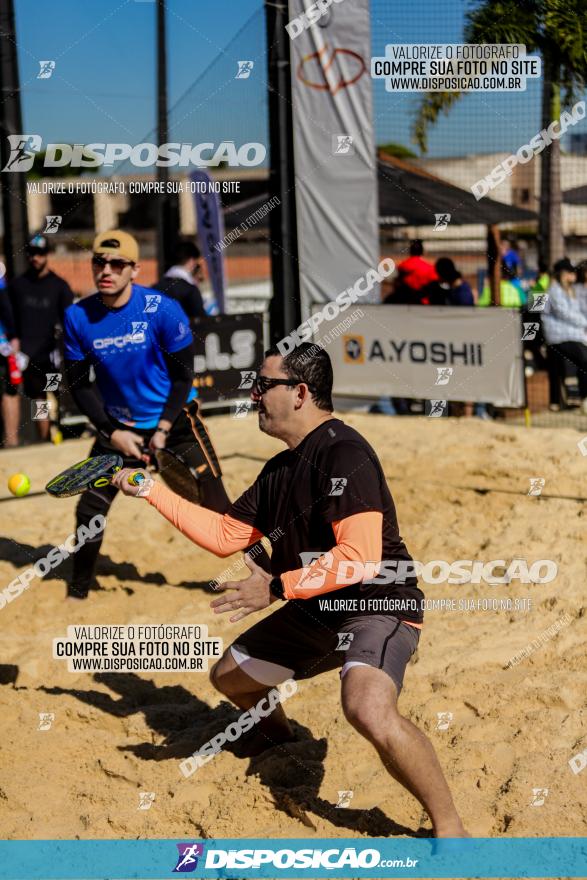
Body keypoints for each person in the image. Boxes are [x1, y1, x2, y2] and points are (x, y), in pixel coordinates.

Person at [113, 343, 469, 838]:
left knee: (365, 708)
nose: (254, 394)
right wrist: (150, 490)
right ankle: (282, 741)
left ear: (300, 392)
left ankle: (451, 830)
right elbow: (224, 538)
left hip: (378, 604)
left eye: (263, 385)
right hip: (317, 609)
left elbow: (360, 558)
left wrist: (278, 586)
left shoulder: (344, 452)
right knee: (231, 678)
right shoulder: (278, 471)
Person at [63, 229, 267, 600]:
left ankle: (271, 573)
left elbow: (183, 376)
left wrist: (163, 427)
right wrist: (113, 431)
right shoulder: (78, 317)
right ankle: (78, 591)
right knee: (90, 507)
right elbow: (79, 386)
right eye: (99, 262)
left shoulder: (162, 309)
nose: (106, 270)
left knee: (220, 507)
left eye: (117, 263)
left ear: (135, 269)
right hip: (119, 429)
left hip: (175, 422)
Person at [6, 234, 73, 442]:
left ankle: (63, 433)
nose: (36, 258)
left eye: (41, 253)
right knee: (39, 399)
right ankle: (44, 438)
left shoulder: (59, 285)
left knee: (60, 396)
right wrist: (15, 344)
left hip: (54, 353)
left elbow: (69, 319)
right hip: (29, 355)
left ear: (47, 255)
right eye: (32, 253)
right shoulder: (17, 285)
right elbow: (10, 320)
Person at [542, 257, 587, 413]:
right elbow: (565, 314)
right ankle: (582, 398)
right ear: (562, 274)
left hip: (571, 333)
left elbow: (575, 313)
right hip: (559, 336)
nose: (573, 275)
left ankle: (565, 401)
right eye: (570, 272)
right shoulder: (554, 291)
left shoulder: (568, 291)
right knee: (584, 361)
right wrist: (585, 324)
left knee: (560, 370)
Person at [153, 241, 206, 321]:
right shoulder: (190, 290)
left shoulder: (154, 288)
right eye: (197, 264)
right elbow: (202, 321)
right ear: (191, 261)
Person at [386, 240, 437, 305]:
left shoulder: (402, 265)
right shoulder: (430, 268)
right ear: (422, 251)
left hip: (405, 300)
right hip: (423, 302)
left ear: (410, 251)